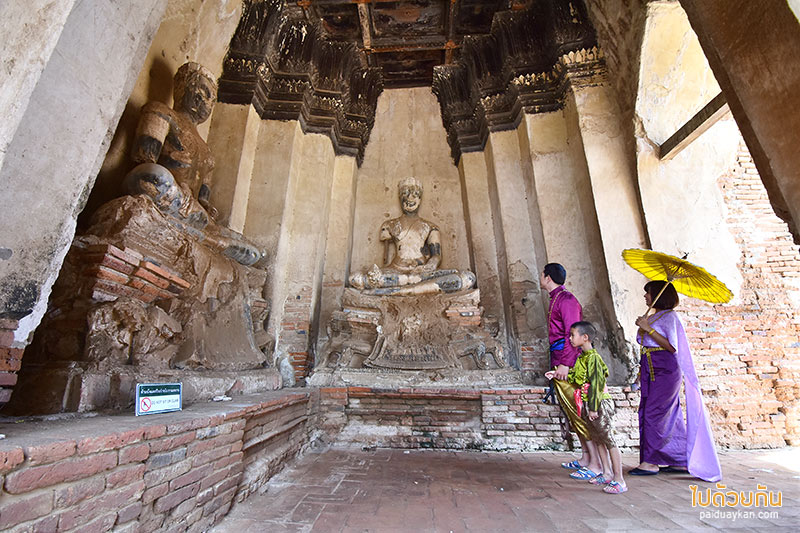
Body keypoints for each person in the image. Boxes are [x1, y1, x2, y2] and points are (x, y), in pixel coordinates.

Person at [124, 62, 261, 266]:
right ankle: (209, 240)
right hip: (164, 191)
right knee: (153, 175)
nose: (202, 100)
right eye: (200, 90)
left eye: (210, 98)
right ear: (182, 88)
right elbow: (143, 158)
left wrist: (207, 210)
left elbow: (203, 200)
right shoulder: (161, 112)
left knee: (254, 253)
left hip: (191, 210)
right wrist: (179, 188)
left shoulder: (207, 152)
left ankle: (203, 236)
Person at [630, 280, 722, 482]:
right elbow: (644, 341)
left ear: (658, 296)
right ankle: (678, 457)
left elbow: (673, 347)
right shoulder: (655, 316)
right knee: (663, 412)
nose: (645, 297)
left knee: (655, 412)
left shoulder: (670, 317)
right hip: (650, 366)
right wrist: (643, 326)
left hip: (665, 368)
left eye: (648, 293)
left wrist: (648, 329)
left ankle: (651, 462)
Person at [348, 177, 475, 295]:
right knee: (356, 278)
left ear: (420, 199)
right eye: (406, 194)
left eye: (415, 195)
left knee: (467, 278)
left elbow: (436, 256)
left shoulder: (430, 227)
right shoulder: (389, 225)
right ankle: (413, 287)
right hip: (396, 271)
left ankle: (397, 291)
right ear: (400, 197)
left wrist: (430, 266)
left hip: (422, 273)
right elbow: (385, 257)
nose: (410, 198)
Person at [549, 321, 627, 494]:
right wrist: (556, 374)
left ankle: (619, 479)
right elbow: (577, 378)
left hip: (598, 403)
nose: (569, 338)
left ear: (585, 338)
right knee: (597, 438)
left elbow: (597, 384)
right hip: (586, 403)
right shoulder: (582, 358)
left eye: (572, 335)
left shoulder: (594, 358)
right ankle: (606, 472)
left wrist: (593, 408)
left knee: (608, 440)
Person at [540, 263, 597, 474]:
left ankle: (595, 463)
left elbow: (572, 335)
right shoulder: (555, 298)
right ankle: (585, 457)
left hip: (569, 362)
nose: (541, 277)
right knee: (570, 411)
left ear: (547, 277)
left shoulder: (566, 300)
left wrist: (565, 362)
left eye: (542, 274)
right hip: (559, 357)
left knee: (578, 409)